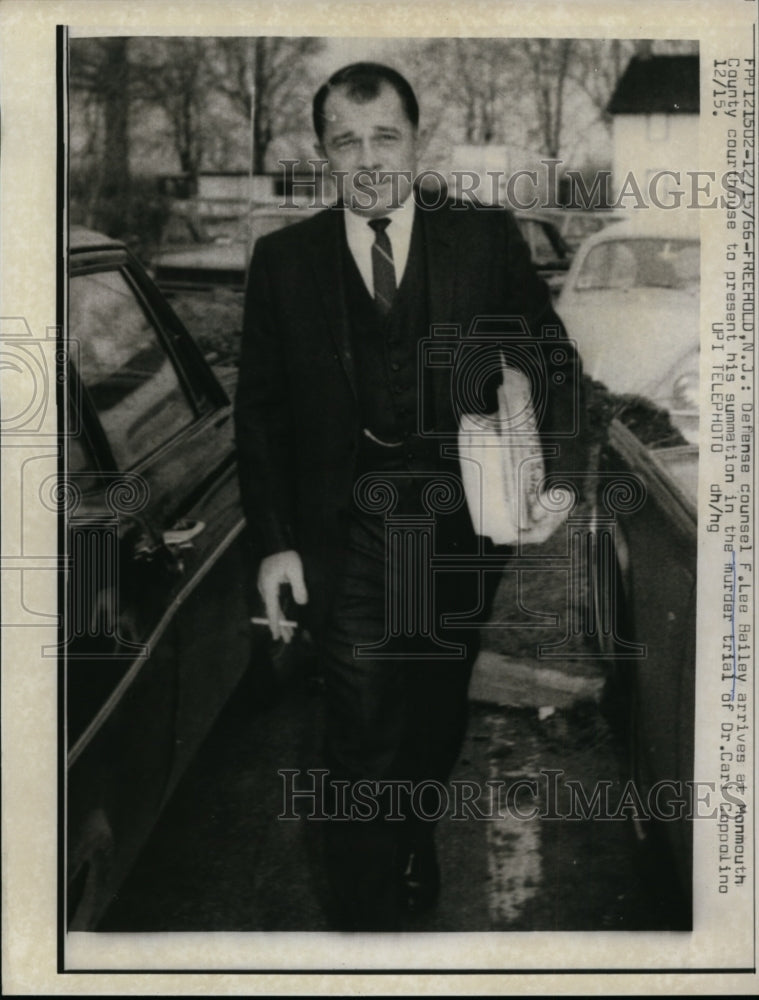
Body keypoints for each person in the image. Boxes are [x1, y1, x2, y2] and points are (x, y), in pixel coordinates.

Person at [234, 62, 585, 931]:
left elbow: (554, 364)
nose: (366, 158)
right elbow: (263, 412)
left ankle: (409, 832)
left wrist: (565, 478)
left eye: (383, 136)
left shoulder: (481, 239)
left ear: (415, 141)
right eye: (344, 142)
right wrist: (275, 544)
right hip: (343, 528)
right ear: (322, 153)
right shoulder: (285, 262)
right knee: (359, 731)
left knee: (431, 711)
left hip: (458, 528)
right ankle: (363, 933)